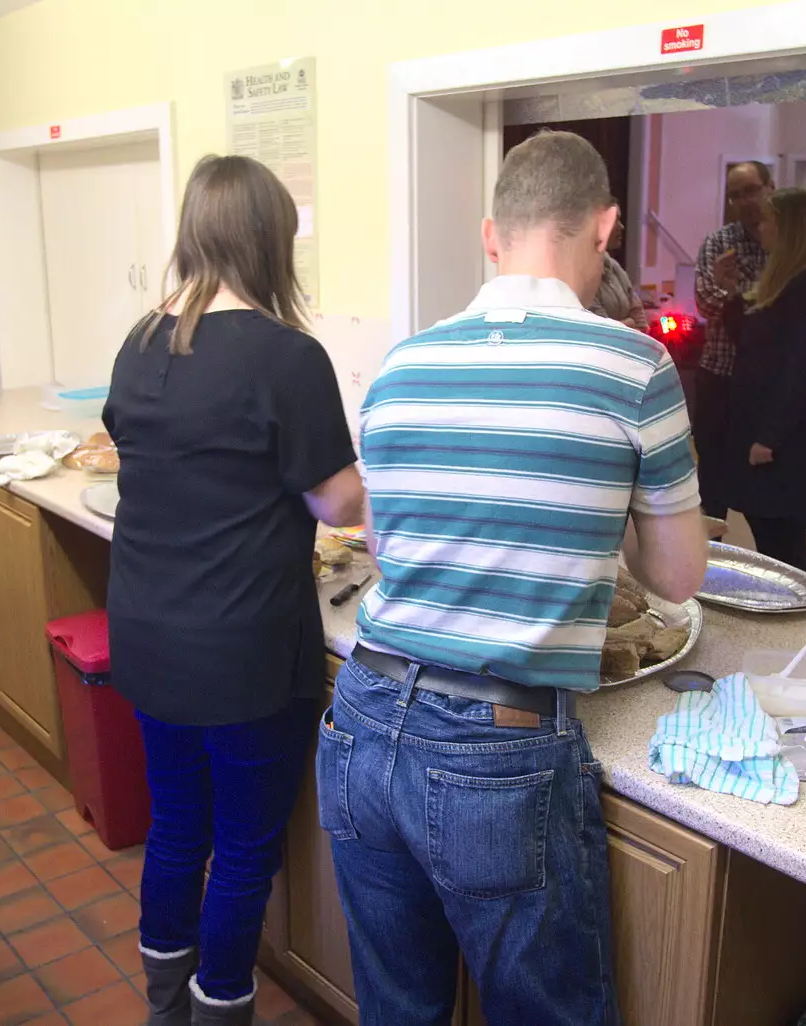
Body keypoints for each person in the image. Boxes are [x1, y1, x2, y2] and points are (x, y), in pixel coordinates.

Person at [324, 130, 709, 1025]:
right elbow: (680, 576)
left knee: (397, 1008)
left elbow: (389, 549)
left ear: (492, 235)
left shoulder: (400, 365)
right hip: (497, 744)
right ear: (606, 227)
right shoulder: (634, 365)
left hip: (361, 720)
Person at [103, 154, 363, 1026]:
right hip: (243, 648)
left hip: (146, 632)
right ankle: (224, 1008)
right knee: (246, 850)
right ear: (272, 242)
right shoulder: (287, 356)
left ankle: (165, 1008)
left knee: (178, 824)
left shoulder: (138, 343)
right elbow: (336, 501)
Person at [716, 187, 806, 571]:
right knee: (767, 539)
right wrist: (731, 291)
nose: (761, 226)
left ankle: (790, 617)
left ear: (790, 228)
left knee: (783, 549)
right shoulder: (784, 280)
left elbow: (795, 367)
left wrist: (769, 436)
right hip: (759, 421)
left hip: (782, 435)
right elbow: (750, 343)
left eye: (768, 219)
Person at [693, 160, 774, 523]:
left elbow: (781, 314)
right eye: (735, 195)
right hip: (719, 378)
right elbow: (705, 304)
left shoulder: (785, 244)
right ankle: (708, 567)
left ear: (770, 187)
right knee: (711, 483)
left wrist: (736, 295)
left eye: (751, 191)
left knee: (765, 490)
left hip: (763, 383)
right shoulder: (719, 243)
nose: (743, 201)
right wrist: (729, 292)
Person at [588, 219, 648, 330]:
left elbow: (639, 318)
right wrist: (630, 323)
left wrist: (628, 324)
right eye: (615, 220)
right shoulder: (581, 275)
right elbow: (602, 331)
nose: (621, 226)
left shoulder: (614, 266)